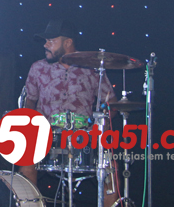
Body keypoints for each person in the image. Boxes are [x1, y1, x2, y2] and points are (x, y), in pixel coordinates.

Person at [20, 19, 119, 207]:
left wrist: (101, 126)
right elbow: (29, 102)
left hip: (84, 136)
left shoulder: (91, 69)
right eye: (45, 41)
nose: (45, 45)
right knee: (26, 161)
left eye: (51, 41)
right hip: (47, 135)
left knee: (110, 168)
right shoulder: (38, 68)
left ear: (68, 43)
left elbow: (112, 104)